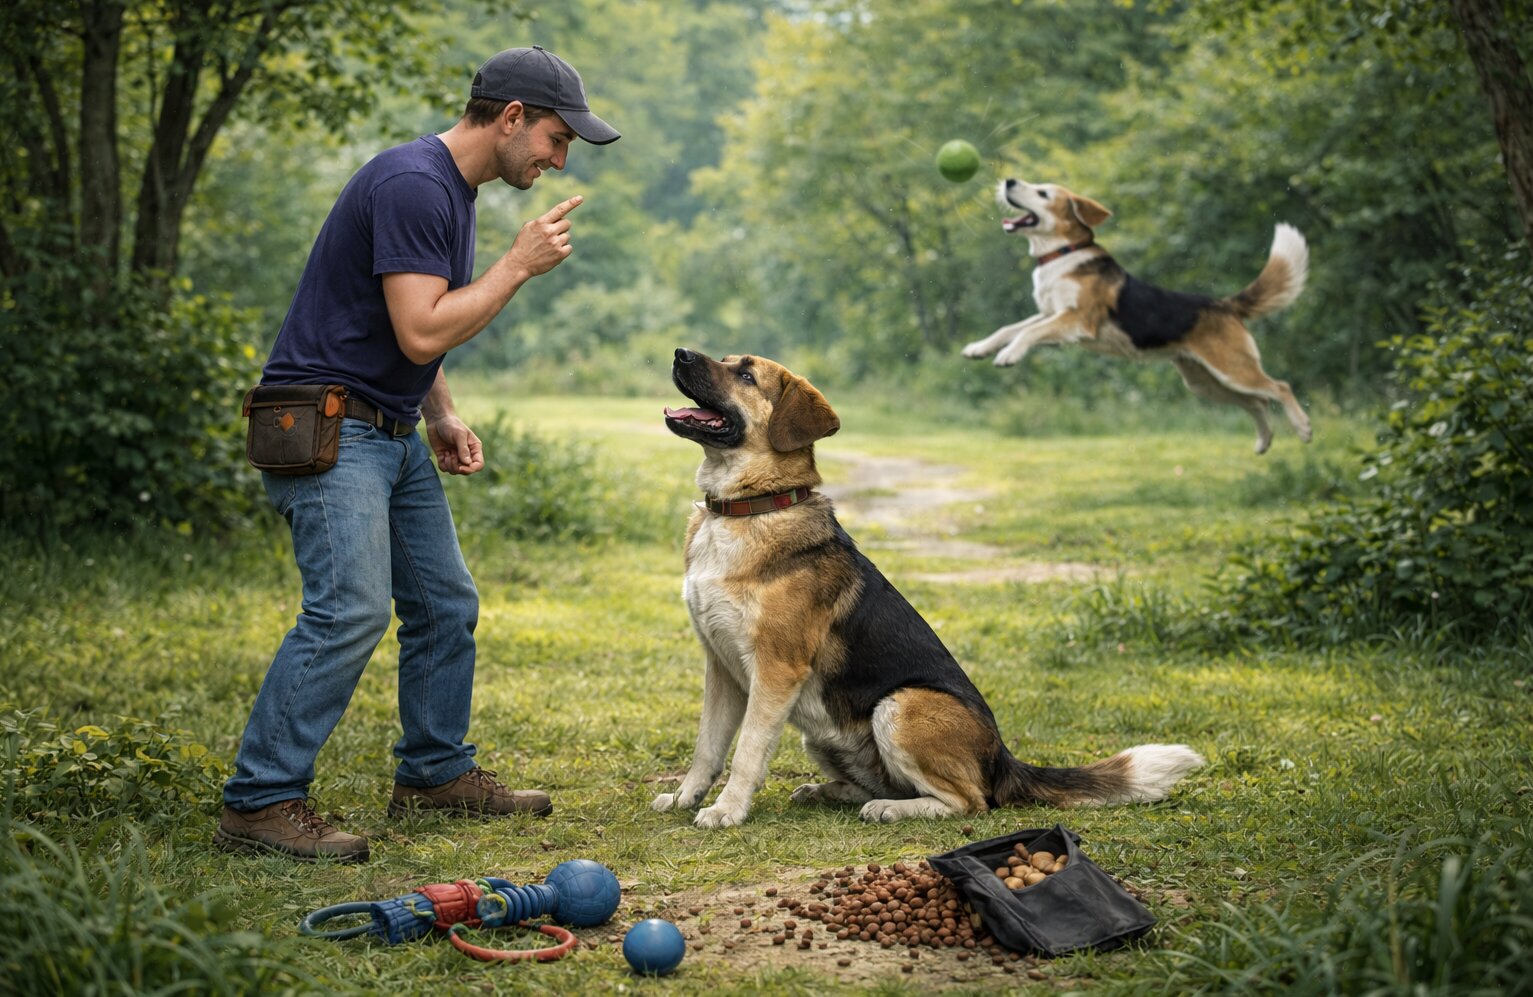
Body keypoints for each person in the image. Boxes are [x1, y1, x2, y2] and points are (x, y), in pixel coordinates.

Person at [215, 46, 619, 863]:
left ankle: (433, 774)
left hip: (388, 428)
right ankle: (259, 800)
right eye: (553, 135)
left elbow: (415, 327)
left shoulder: (449, 190)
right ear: (509, 117)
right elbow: (423, 327)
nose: (557, 155)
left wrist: (440, 412)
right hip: (332, 430)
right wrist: (516, 265)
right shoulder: (411, 183)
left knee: (443, 604)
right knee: (350, 610)